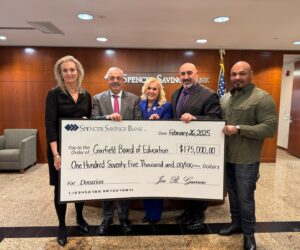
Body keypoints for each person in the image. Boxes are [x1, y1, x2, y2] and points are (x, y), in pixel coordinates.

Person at [219, 61, 277, 250]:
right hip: (226, 158)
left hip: (246, 160)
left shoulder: (262, 98)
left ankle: (249, 235)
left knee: (245, 199)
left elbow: (269, 129)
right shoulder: (225, 98)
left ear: (251, 74)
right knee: (233, 196)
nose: (237, 78)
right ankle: (235, 223)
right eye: (234, 74)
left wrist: (238, 128)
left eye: (242, 74)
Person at [45, 55, 92, 246]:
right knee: (61, 189)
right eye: (65, 70)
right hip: (60, 150)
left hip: (80, 150)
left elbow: (89, 121)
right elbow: (50, 125)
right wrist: (56, 154)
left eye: (72, 69)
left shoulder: (86, 95)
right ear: (60, 74)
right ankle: (62, 225)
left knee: (79, 186)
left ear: (78, 72)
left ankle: (80, 217)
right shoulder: (54, 94)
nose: (69, 73)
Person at [91, 66, 142, 234]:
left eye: (118, 78)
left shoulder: (134, 99)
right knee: (107, 183)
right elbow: (92, 121)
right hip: (105, 150)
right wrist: (107, 117)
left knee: (125, 184)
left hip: (127, 151)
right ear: (107, 80)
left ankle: (124, 217)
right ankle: (106, 218)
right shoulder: (97, 99)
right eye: (111, 78)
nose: (115, 81)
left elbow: (139, 123)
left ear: (123, 80)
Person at [171, 62, 222, 230]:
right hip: (180, 149)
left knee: (198, 182)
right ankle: (188, 212)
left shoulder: (209, 95)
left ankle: (199, 215)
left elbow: (216, 120)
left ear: (196, 74)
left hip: (199, 150)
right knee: (185, 182)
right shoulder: (175, 93)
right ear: (178, 76)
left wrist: (196, 119)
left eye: (189, 73)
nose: (186, 77)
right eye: (182, 74)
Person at [139, 77, 173, 224]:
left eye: (155, 89)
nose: (152, 91)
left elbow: (168, 129)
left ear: (159, 91)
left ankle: (155, 215)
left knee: (156, 182)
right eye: (149, 88)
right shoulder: (140, 104)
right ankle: (148, 212)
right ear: (145, 90)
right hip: (141, 150)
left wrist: (157, 123)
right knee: (146, 182)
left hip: (158, 151)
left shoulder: (165, 106)